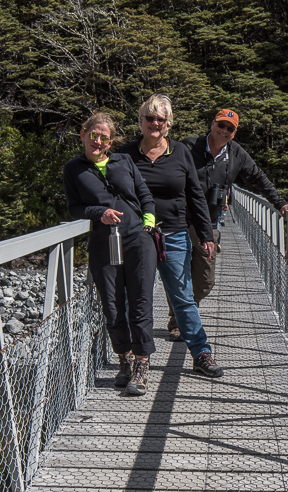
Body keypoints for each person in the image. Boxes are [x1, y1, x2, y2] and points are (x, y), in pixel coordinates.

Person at [164, 109, 288, 340]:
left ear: (234, 133)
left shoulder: (236, 155)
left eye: (230, 128)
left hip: (209, 224)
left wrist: (280, 203)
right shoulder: (188, 147)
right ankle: (179, 320)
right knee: (178, 273)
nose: (224, 131)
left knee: (206, 281)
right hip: (178, 220)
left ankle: (184, 308)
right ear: (212, 123)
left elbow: (258, 177)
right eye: (221, 125)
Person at [118, 93, 224, 377]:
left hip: (174, 235)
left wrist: (205, 234)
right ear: (140, 121)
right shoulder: (125, 155)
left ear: (169, 124)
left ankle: (201, 353)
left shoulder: (180, 153)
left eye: (160, 119)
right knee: (136, 298)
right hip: (137, 237)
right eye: (149, 118)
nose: (155, 123)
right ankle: (137, 357)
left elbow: (195, 196)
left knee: (183, 297)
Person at [63, 112, 158, 395]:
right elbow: (74, 208)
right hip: (104, 243)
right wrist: (99, 212)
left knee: (141, 303)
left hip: (137, 240)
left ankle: (142, 365)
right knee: (113, 307)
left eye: (105, 137)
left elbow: (145, 195)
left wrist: (149, 224)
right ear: (83, 134)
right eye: (94, 135)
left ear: (111, 141)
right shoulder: (73, 169)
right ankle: (125, 360)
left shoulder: (124, 161)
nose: (99, 141)